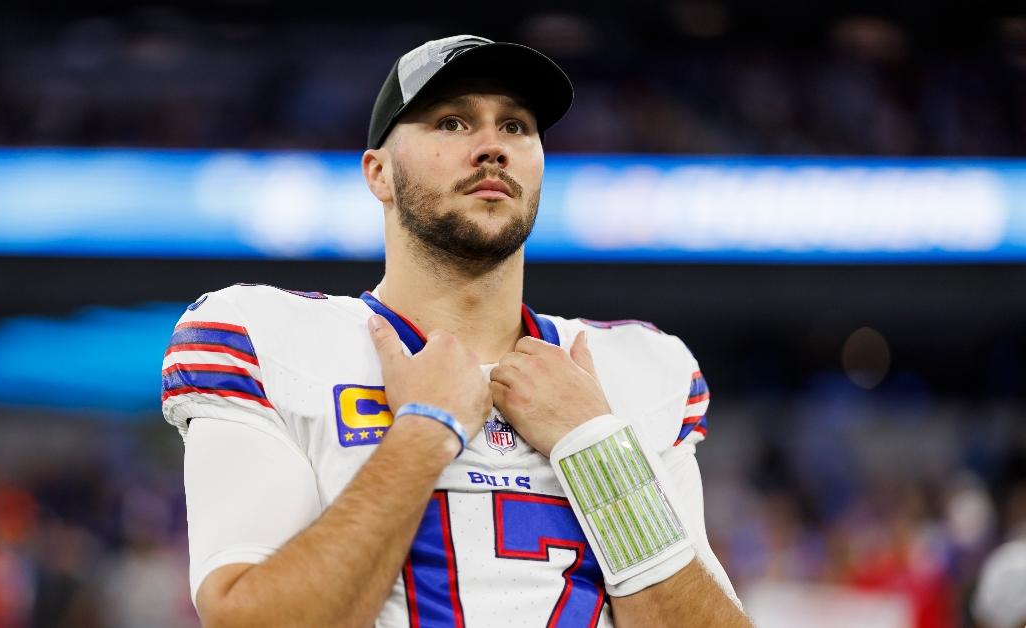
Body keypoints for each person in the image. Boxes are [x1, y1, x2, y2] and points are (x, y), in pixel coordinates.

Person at [162, 34, 751, 627]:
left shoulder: (636, 367)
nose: (492, 146)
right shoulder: (263, 337)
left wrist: (596, 448)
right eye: (451, 122)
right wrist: (425, 433)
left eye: (516, 126)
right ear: (379, 174)